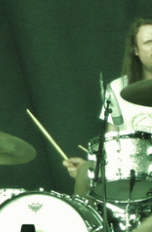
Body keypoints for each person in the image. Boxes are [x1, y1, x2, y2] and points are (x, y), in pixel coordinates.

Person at [63, 17, 152, 232]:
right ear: (135, 50)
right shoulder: (118, 88)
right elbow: (111, 142)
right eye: (149, 42)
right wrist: (93, 164)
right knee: (86, 171)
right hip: (131, 171)